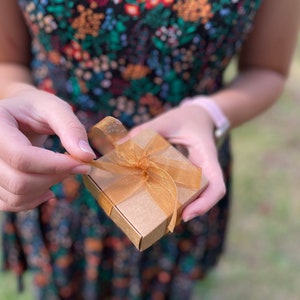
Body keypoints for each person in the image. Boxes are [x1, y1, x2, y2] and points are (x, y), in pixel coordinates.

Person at [0, 0, 299, 299]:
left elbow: (267, 70)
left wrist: (208, 113)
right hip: (61, 168)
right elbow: (7, 62)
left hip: (175, 174)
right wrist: (19, 99)